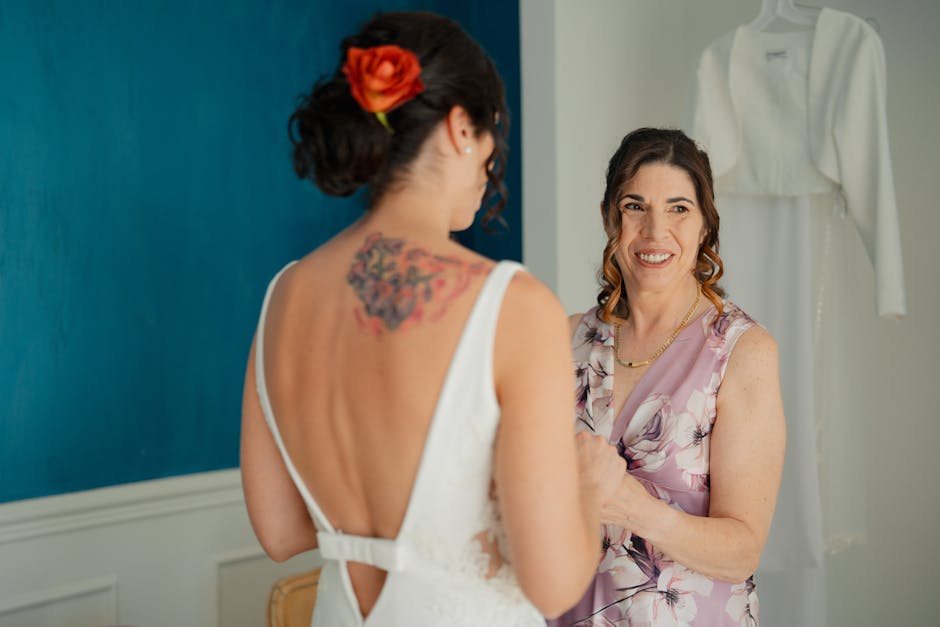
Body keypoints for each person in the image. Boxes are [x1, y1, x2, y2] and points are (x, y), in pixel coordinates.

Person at [239, 12, 625, 626]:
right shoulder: (510, 304)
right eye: (492, 131)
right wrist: (589, 487)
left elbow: (281, 531)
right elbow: (553, 586)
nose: (494, 155)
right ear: (459, 127)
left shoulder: (285, 294)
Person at [550, 128, 786, 626]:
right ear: (610, 217)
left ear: (705, 226)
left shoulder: (742, 352)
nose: (656, 232)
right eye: (636, 206)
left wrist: (639, 510)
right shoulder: (564, 339)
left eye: (679, 209)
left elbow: (743, 550)